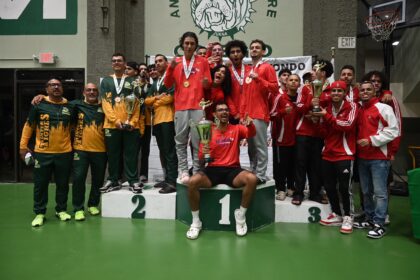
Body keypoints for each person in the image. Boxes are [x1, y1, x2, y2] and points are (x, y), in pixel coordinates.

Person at [186, 102, 257, 239]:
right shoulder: (207, 129)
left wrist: (250, 124)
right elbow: (201, 156)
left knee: (252, 179)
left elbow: (251, 133)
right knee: (192, 181)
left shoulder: (236, 129)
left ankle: (241, 217)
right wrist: (205, 152)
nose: (224, 112)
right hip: (213, 170)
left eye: (226, 110)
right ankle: (196, 222)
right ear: (214, 114)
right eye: (220, 110)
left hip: (233, 170)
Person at [19, 78, 73, 227]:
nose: (56, 87)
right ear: (46, 89)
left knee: (63, 184)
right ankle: (40, 213)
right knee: (40, 185)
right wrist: (23, 146)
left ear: (62, 88)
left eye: (58, 85)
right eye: (52, 85)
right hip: (43, 153)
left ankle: (61, 210)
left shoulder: (70, 106)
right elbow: (28, 126)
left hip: (64, 153)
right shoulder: (38, 105)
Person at [164, 31, 212, 184]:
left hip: (198, 106)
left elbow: (208, 83)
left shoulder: (203, 62)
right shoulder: (176, 62)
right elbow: (167, 84)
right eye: (187, 43)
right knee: (180, 141)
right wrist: (170, 68)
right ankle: (183, 170)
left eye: (192, 43)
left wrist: (205, 83)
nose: (189, 46)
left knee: (198, 142)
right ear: (182, 45)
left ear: (196, 45)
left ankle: (197, 170)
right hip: (181, 107)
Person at [354, 81, 399, 239]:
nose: (365, 92)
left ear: (374, 92)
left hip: (379, 158)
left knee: (380, 193)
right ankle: (369, 218)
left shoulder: (384, 108)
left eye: (368, 90)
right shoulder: (359, 109)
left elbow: (394, 130)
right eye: (362, 90)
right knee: (366, 191)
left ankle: (379, 223)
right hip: (362, 157)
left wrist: (372, 140)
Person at [312, 81, 358, 234]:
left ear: (344, 93)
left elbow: (347, 125)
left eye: (339, 91)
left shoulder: (352, 106)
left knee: (344, 188)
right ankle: (337, 214)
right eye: (334, 91)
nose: (336, 93)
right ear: (330, 93)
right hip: (328, 153)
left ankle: (348, 217)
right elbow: (324, 132)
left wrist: (327, 117)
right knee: (330, 187)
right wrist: (318, 122)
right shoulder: (327, 108)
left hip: (345, 153)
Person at [99, 52, 142, 193]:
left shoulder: (133, 81)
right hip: (111, 126)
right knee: (113, 155)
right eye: (114, 61)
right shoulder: (106, 81)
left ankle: (133, 181)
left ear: (125, 64)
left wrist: (133, 122)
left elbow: (137, 104)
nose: (116, 63)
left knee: (131, 154)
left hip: (130, 126)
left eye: (119, 60)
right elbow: (105, 103)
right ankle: (113, 180)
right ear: (112, 64)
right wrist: (115, 120)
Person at [240, 39, 279, 183]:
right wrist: (243, 114)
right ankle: (253, 171)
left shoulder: (267, 68)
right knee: (251, 147)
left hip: (260, 113)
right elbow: (244, 95)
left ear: (263, 51)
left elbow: (275, 88)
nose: (254, 49)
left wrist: (259, 79)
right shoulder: (249, 70)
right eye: (252, 48)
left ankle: (261, 175)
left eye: (257, 48)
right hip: (248, 115)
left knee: (260, 146)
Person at [71, 83, 107, 220]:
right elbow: (57, 103)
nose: (92, 92)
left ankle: (93, 204)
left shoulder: (104, 107)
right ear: (83, 92)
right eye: (89, 90)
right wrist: (42, 97)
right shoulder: (76, 105)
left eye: (94, 90)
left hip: (100, 150)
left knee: (98, 180)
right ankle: (78, 208)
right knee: (79, 179)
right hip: (81, 149)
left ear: (98, 93)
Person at [145, 54, 178, 194]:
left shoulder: (171, 78)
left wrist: (154, 102)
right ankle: (166, 178)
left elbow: (170, 98)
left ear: (167, 63)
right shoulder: (155, 82)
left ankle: (172, 181)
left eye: (160, 61)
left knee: (170, 151)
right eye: (156, 61)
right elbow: (146, 101)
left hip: (168, 118)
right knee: (162, 151)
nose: (157, 63)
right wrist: (157, 98)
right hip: (156, 120)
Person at [270, 74, 299, 200]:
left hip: (298, 138)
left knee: (294, 164)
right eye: (290, 80)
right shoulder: (280, 98)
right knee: (281, 165)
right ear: (286, 83)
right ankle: (280, 188)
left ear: (299, 83)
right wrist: (282, 112)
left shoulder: (301, 99)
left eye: (296, 80)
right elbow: (271, 114)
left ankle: (291, 187)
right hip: (282, 138)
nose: (293, 82)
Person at [224, 39, 250, 124]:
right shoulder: (226, 72)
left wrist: (246, 112)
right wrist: (235, 113)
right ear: (229, 55)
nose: (235, 54)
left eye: (238, 51)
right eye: (232, 52)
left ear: (243, 54)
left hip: (249, 113)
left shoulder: (251, 70)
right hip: (233, 115)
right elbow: (226, 94)